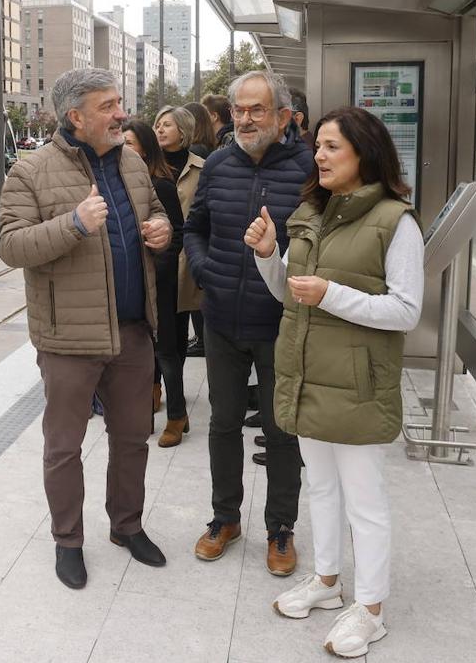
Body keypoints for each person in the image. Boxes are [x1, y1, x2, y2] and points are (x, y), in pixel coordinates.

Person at [245, 105, 424, 658]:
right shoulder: (311, 212)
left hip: (357, 386)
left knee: (365, 502)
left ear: (364, 154)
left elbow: (406, 311)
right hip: (306, 375)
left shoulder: (398, 221)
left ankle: (370, 610)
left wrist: (331, 295)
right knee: (319, 487)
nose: (318, 156)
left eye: (330, 147)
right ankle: (327, 581)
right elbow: (289, 292)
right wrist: (268, 254)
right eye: (318, 146)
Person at [0, 67, 173, 591]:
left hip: (134, 330)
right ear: (76, 116)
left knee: (133, 437)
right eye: (108, 106)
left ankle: (127, 526)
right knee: (64, 446)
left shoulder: (134, 165)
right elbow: (12, 246)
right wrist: (73, 223)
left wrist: (161, 229)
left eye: (120, 103)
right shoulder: (30, 173)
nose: (122, 114)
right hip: (69, 339)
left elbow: (158, 211)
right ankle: (68, 541)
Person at [184, 70, 311, 574]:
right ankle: (225, 518)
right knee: (222, 422)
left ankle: (281, 530)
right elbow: (194, 228)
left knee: (282, 431)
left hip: (281, 322)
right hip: (221, 319)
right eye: (238, 109)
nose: (244, 119)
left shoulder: (309, 169)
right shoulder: (217, 164)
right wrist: (203, 269)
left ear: (284, 116)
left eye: (256, 109)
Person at [122, 119, 188, 447]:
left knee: (166, 351)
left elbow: (177, 233)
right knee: (142, 350)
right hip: (133, 284)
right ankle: (150, 398)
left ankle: (177, 415)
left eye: (129, 143)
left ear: (144, 149)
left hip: (159, 282)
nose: (123, 149)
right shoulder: (121, 183)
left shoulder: (160, 184)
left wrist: (156, 261)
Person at [154, 106, 207, 366]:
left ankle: (175, 391)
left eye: (167, 125)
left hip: (186, 257)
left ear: (183, 130)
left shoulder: (202, 169)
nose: (160, 129)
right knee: (156, 327)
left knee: (179, 326)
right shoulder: (145, 167)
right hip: (157, 255)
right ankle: (155, 387)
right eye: (158, 125)